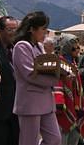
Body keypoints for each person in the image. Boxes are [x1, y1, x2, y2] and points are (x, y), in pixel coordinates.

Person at [13, 11, 61, 145]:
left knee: (55, 139)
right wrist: (55, 79)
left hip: (46, 102)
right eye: (43, 29)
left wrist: (60, 72)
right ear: (32, 29)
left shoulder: (40, 46)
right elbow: (30, 74)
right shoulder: (21, 46)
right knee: (29, 141)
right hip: (30, 102)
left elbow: (45, 68)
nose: (46, 33)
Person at [53, 33, 84, 145]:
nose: (78, 49)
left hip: (76, 108)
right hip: (65, 108)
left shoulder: (74, 63)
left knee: (74, 139)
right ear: (67, 46)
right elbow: (57, 85)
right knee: (63, 139)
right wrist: (60, 104)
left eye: (78, 46)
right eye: (74, 46)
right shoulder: (59, 63)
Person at [0, 16, 19, 145]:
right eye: (10, 29)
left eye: (16, 29)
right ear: (0, 31)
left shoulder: (20, 50)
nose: (14, 33)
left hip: (19, 111)